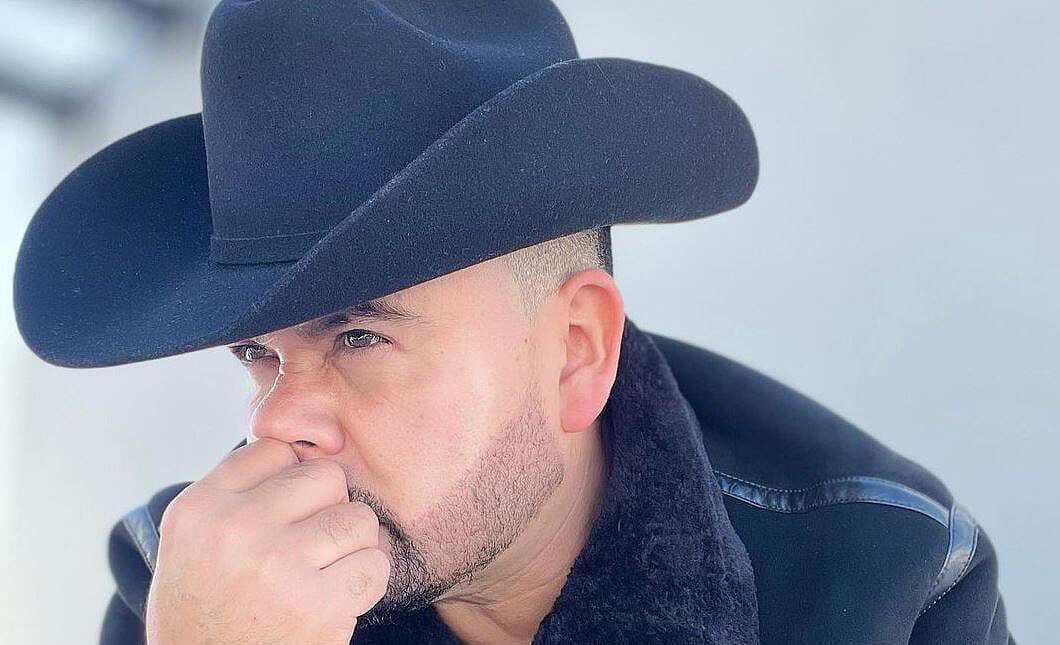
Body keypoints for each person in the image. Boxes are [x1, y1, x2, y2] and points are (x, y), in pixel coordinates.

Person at [12, 2, 1012, 644]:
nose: (275, 421)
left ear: (575, 351)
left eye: (359, 337)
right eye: (259, 352)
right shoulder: (193, 581)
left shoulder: (879, 577)